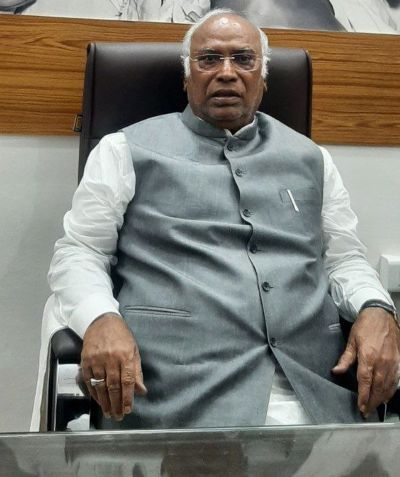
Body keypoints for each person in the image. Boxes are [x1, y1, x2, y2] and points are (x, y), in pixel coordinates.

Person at [31, 8, 400, 431]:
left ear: (263, 78)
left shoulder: (312, 158)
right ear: (187, 76)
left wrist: (376, 307)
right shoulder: (122, 150)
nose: (227, 72)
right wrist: (100, 319)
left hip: (315, 391)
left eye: (243, 59)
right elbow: (81, 252)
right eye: (209, 59)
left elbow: (343, 258)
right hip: (179, 397)